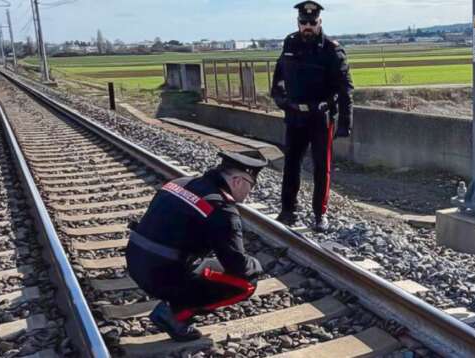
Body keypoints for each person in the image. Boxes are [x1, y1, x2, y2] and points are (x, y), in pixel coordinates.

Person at [125, 151, 268, 341]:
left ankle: (173, 293)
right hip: (158, 277)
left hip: (135, 261)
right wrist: (255, 265)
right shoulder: (222, 209)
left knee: (206, 262)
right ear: (237, 181)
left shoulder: (180, 183)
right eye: (251, 186)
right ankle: (173, 314)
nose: (250, 193)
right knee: (248, 283)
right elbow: (237, 266)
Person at [271, 0, 354, 233]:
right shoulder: (290, 43)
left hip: (320, 118)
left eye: (312, 22)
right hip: (295, 116)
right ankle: (288, 210)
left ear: (320, 22)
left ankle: (320, 214)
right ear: (298, 22)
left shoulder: (331, 49)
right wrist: (280, 99)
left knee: (321, 168)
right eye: (303, 22)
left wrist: (346, 122)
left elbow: (345, 88)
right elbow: (278, 77)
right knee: (291, 165)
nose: (307, 26)